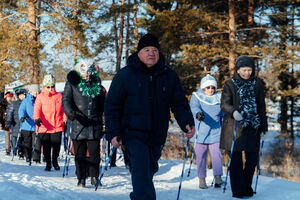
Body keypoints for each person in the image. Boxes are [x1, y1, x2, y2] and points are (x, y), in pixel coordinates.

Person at [104, 33, 195, 200]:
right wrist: (114, 131)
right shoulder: (125, 75)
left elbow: (179, 102)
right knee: (142, 171)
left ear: (159, 54)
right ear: (139, 53)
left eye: (154, 50)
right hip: (133, 133)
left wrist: (187, 122)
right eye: (146, 50)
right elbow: (112, 106)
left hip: (157, 134)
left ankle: (138, 194)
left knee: (148, 171)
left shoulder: (169, 76)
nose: (151, 53)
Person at [220, 55, 268, 198]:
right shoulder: (230, 84)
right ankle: (238, 189)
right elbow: (224, 104)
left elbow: (261, 106)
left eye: (249, 70)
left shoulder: (257, 84)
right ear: (238, 70)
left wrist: (264, 126)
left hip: (253, 126)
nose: (247, 73)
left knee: (252, 159)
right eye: (244, 70)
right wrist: (234, 111)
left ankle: (247, 186)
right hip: (235, 127)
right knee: (235, 160)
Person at [62, 57, 106, 188]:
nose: (86, 74)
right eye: (84, 71)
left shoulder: (96, 82)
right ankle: (81, 178)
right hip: (78, 122)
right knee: (79, 154)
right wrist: (70, 112)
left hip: (94, 123)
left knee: (94, 153)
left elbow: (103, 105)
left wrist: (105, 122)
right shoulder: (71, 83)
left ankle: (94, 177)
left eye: (88, 71)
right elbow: (66, 100)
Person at [190, 74, 223, 189]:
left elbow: (223, 113)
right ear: (203, 88)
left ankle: (218, 177)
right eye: (208, 87)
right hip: (201, 131)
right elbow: (194, 107)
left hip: (216, 131)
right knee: (200, 156)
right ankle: (202, 179)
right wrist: (198, 113)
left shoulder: (219, 97)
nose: (210, 90)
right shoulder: (197, 96)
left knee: (217, 155)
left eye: (213, 87)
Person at [33, 74, 66, 171]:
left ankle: (55, 161)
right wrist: (37, 118)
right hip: (44, 126)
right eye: (48, 86)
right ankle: (48, 163)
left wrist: (65, 118)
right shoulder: (40, 97)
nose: (50, 88)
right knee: (46, 147)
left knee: (56, 146)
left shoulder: (59, 96)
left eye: (52, 86)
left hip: (57, 125)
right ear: (44, 86)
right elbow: (36, 109)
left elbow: (63, 110)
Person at [18, 84, 39, 162]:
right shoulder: (26, 101)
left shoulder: (38, 100)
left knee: (36, 142)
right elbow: (21, 110)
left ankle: (36, 158)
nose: (36, 92)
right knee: (27, 143)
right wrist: (22, 117)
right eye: (34, 91)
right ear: (30, 91)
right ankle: (28, 156)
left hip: (36, 125)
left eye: (37, 91)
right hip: (26, 125)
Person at [5, 88, 27, 159]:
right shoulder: (14, 104)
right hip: (16, 124)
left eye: (23, 95)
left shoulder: (27, 103)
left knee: (23, 139)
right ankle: (15, 149)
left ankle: (22, 151)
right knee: (15, 137)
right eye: (20, 95)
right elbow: (9, 113)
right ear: (17, 96)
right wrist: (8, 122)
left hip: (25, 124)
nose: (22, 97)